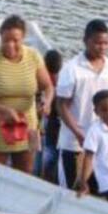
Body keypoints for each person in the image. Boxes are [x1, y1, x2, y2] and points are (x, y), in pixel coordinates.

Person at [0, 15, 53, 172]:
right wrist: (3, 110)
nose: (10, 45)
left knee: (26, 173)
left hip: (28, 125)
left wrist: (47, 103)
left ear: (23, 38)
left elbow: (48, 86)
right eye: (6, 41)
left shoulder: (33, 56)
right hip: (0, 125)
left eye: (15, 41)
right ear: (0, 38)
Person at [55, 19, 108, 191]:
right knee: (70, 191)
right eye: (97, 43)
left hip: (101, 143)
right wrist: (78, 132)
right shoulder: (72, 69)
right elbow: (61, 105)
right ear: (85, 41)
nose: (102, 47)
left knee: (97, 191)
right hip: (74, 144)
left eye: (106, 43)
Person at [39, 49, 64, 180]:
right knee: (52, 155)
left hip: (50, 125)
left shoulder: (43, 80)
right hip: (57, 125)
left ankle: (44, 177)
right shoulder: (63, 81)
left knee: (49, 155)